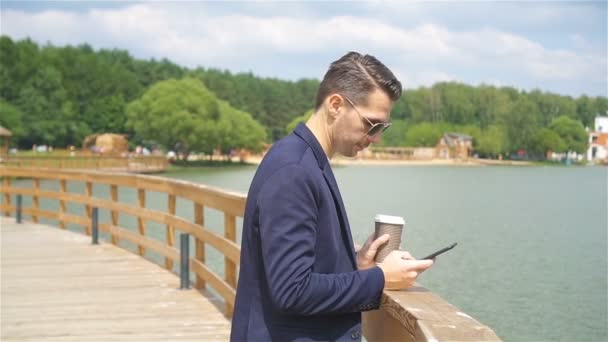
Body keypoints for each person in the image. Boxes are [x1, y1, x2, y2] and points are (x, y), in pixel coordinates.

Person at [230, 52, 434, 342]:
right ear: (336, 105)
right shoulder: (294, 171)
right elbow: (292, 291)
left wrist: (354, 264)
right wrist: (379, 279)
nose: (376, 137)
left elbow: (298, 268)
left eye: (382, 128)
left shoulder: (306, 159)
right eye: (371, 124)